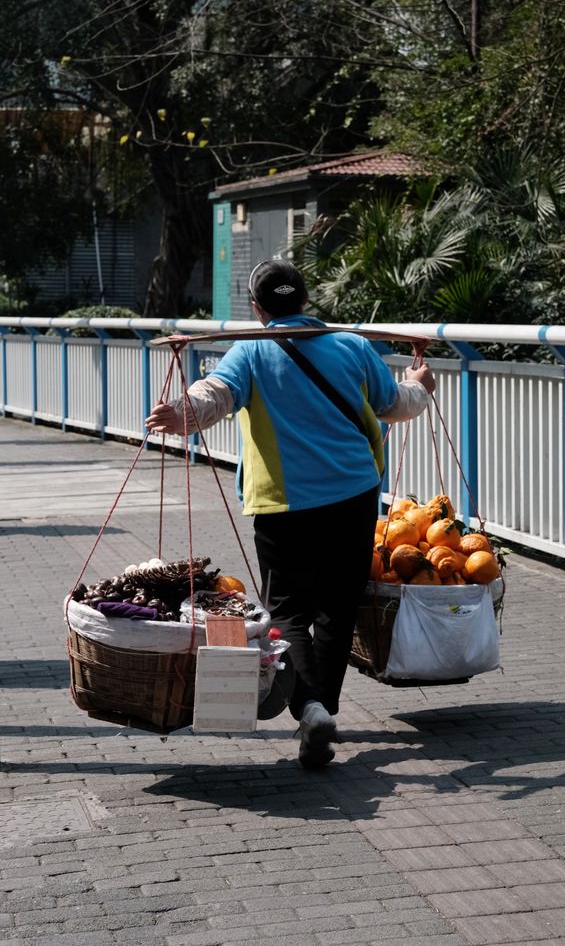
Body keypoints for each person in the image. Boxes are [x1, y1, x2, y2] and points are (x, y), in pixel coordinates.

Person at [145, 260, 435, 768]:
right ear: (304, 300)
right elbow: (396, 402)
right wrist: (421, 383)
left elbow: (214, 395)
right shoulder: (351, 346)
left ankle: (310, 708)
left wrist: (181, 414)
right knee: (337, 608)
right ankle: (323, 709)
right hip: (353, 495)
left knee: (287, 612)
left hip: (284, 505)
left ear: (257, 309)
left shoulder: (251, 350)